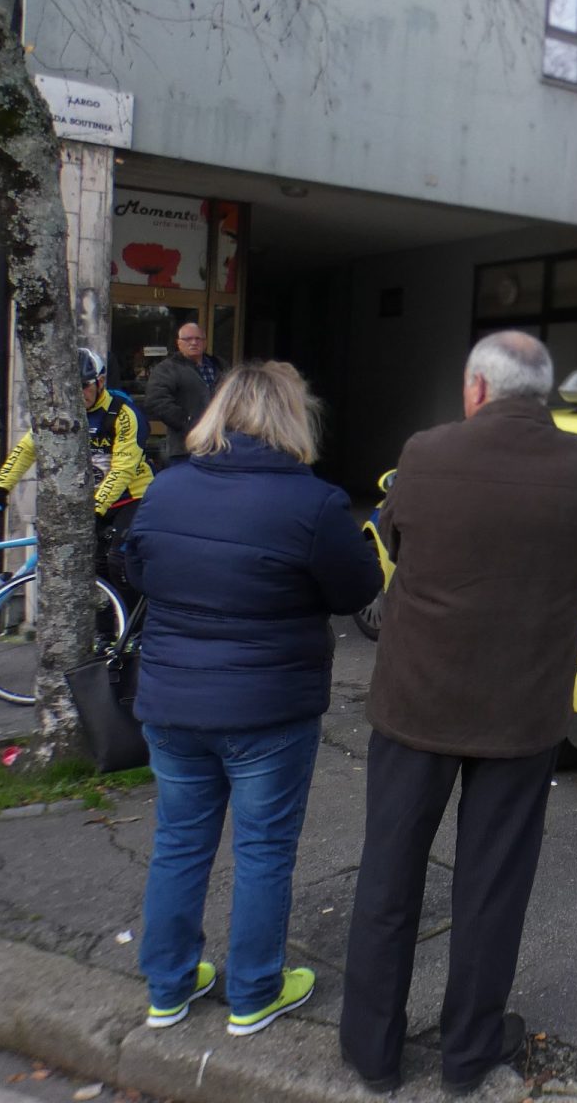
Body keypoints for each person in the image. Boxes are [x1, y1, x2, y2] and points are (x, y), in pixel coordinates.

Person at [340, 332, 577, 1096]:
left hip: (418, 704)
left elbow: (393, 535)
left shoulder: (425, 454)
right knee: (492, 888)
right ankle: (468, 1055)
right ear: (544, 392)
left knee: (389, 877)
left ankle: (373, 1051)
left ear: (476, 389)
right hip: (521, 713)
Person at [123, 363, 382, 1036]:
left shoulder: (168, 488)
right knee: (264, 849)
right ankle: (254, 992)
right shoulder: (315, 503)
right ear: (292, 418)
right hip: (269, 708)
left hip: (173, 700)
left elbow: (138, 567)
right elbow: (356, 592)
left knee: (179, 843)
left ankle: (168, 988)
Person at [0, 347, 155, 594]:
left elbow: (123, 469)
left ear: (100, 381)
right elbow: (26, 450)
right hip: (91, 499)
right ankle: (105, 630)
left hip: (131, 497)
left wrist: (95, 509)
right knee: (93, 565)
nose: (78, 394)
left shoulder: (123, 414)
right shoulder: (59, 413)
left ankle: (134, 628)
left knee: (119, 560)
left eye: (84, 386)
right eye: (71, 387)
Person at [143, 322, 224, 465]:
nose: (194, 342)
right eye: (188, 339)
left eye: (198, 339)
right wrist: (188, 422)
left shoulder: (220, 366)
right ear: (179, 343)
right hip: (184, 448)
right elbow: (156, 401)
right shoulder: (167, 369)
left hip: (220, 445)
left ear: (205, 342)